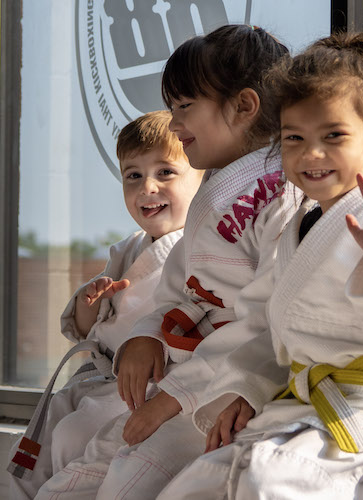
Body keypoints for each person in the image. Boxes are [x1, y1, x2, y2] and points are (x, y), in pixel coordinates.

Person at [158, 32, 363, 500]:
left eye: (333, 136)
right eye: (294, 138)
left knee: (268, 483)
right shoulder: (295, 224)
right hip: (311, 408)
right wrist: (246, 389)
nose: (311, 154)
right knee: (194, 484)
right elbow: (271, 329)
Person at [35, 25, 294, 499]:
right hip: (177, 386)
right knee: (71, 482)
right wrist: (146, 336)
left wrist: (177, 397)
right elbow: (182, 294)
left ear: (244, 106)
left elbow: (265, 324)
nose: (175, 124)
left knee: (123, 480)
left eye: (184, 107)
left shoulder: (285, 196)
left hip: (221, 395)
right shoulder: (217, 197)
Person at [9, 110, 203, 499]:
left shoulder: (200, 251)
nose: (147, 186)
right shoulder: (128, 247)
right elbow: (87, 327)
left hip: (140, 388)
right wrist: (88, 301)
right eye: (133, 175)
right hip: (95, 376)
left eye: (165, 172)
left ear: (202, 178)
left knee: (74, 435)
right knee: (42, 434)